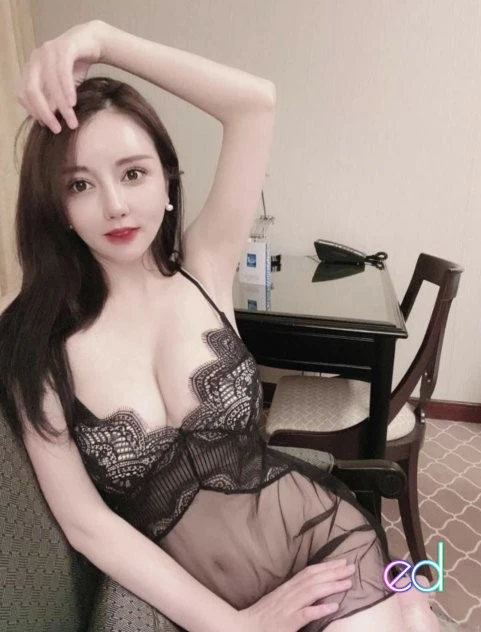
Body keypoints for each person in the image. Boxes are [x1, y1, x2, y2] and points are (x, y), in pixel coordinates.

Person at [0, 19, 439, 632]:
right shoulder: (35, 342)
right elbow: (86, 525)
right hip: (217, 601)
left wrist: (103, 40)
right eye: (80, 184)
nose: (116, 205)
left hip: (321, 540)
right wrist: (237, 626)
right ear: (59, 209)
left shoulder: (205, 266)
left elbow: (254, 104)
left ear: (168, 182)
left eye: (133, 173)